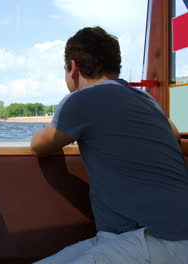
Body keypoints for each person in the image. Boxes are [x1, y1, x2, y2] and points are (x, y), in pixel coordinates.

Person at [31, 26, 188, 263]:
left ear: (73, 68)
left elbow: (39, 145)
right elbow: (174, 134)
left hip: (154, 238)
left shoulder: (81, 99)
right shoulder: (146, 99)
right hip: (153, 236)